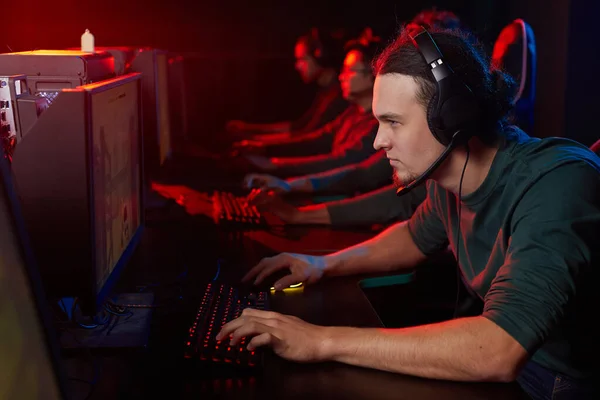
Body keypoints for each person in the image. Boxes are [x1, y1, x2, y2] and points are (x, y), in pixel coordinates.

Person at [218, 26, 599, 399]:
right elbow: (414, 237)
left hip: (558, 383)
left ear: (452, 118)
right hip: (514, 369)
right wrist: (322, 265)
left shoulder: (559, 183)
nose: (378, 140)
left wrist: (320, 340)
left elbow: (499, 348)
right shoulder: (447, 180)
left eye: (393, 122)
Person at [240, 30, 382, 177]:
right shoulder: (352, 112)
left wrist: (274, 164)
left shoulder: (377, 125)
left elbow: (342, 161)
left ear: (373, 75)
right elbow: (317, 138)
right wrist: (264, 149)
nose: (341, 77)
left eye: (349, 71)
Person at [227, 28, 350, 137]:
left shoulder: (337, 96)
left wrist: (257, 143)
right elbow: (298, 126)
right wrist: (248, 128)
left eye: (301, 59)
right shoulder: (325, 91)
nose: (297, 66)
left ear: (320, 56)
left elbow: (305, 135)